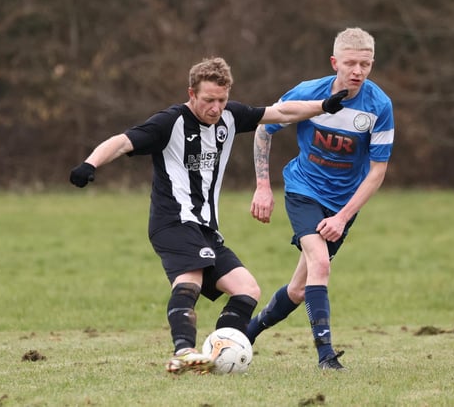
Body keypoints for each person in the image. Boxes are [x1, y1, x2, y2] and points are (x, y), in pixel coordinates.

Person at [69, 56, 348, 374]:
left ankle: (218, 351)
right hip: (172, 221)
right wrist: (89, 165)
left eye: (222, 100)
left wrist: (323, 106)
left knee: (247, 289)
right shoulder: (169, 123)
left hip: (205, 228)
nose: (216, 108)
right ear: (191, 94)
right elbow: (121, 142)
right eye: (208, 100)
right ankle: (183, 351)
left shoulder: (230, 117)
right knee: (192, 279)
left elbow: (281, 112)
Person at [246, 27, 395, 371]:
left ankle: (246, 333)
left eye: (366, 64)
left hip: (344, 205)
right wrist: (263, 185)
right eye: (351, 63)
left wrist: (343, 217)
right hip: (303, 190)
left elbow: (376, 173)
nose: (358, 71)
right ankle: (326, 355)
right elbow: (263, 127)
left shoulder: (379, 106)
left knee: (299, 290)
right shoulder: (308, 93)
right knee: (322, 264)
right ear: (334, 62)